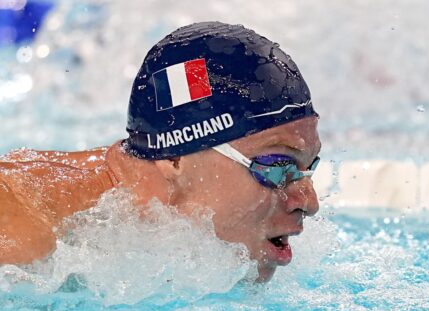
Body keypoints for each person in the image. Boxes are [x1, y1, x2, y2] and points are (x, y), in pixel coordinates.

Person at [0, 21, 321, 282]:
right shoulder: (22, 235)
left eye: (309, 168)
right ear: (175, 157)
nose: (309, 202)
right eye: (277, 167)